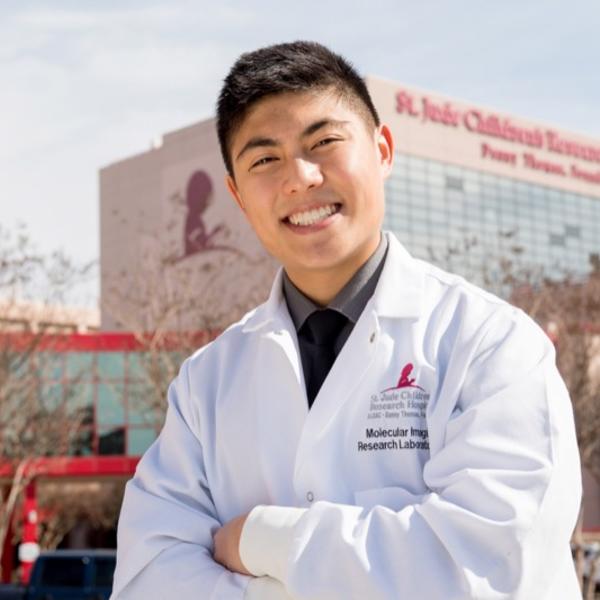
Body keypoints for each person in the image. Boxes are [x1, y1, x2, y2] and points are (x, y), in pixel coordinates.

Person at [110, 41, 582, 599]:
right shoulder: (204, 384)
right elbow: (147, 579)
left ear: (382, 150)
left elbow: (484, 568)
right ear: (237, 196)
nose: (301, 177)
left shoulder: (493, 345)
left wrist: (260, 541)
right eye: (265, 159)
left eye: (325, 142)